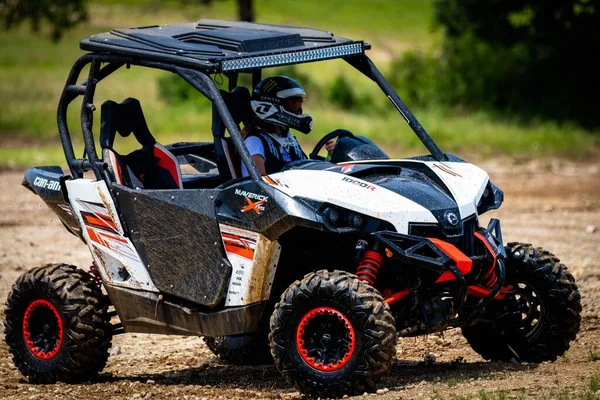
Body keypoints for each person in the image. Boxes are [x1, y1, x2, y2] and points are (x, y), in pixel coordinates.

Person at [240, 76, 335, 176]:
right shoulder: (254, 141)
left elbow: (308, 172)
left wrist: (329, 156)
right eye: (293, 104)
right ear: (273, 104)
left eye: (299, 104)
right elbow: (258, 183)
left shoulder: (288, 139)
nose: (298, 111)